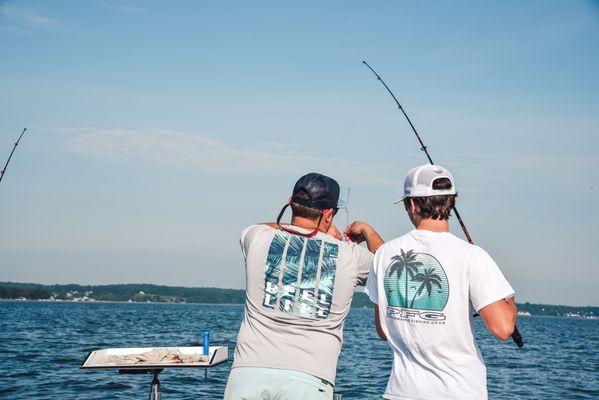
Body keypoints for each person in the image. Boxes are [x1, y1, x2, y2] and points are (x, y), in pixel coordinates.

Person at [224, 172, 384, 400]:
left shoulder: (256, 237)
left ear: (290, 204)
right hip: (309, 379)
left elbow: (258, 226)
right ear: (328, 214)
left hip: (247, 373)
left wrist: (315, 230)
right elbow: (391, 269)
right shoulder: (350, 256)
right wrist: (367, 231)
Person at [364, 164, 517, 400]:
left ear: (413, 204)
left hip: (401, 393)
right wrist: (507, 294)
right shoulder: (473, 257)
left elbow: (383, 330)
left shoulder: (384, 254)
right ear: (450, 202)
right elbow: (504, 328)